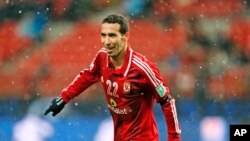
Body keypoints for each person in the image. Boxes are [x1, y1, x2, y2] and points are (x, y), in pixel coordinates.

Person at [44, 14, 181, 141]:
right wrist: (64, 98)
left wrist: (174, 138)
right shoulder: (102, 57)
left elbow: (167, 101)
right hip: (120, 135)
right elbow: (88, 76)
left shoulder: (142, 68)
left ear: (125, 36)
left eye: (112, 36)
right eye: (103, 35)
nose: (106, 41)